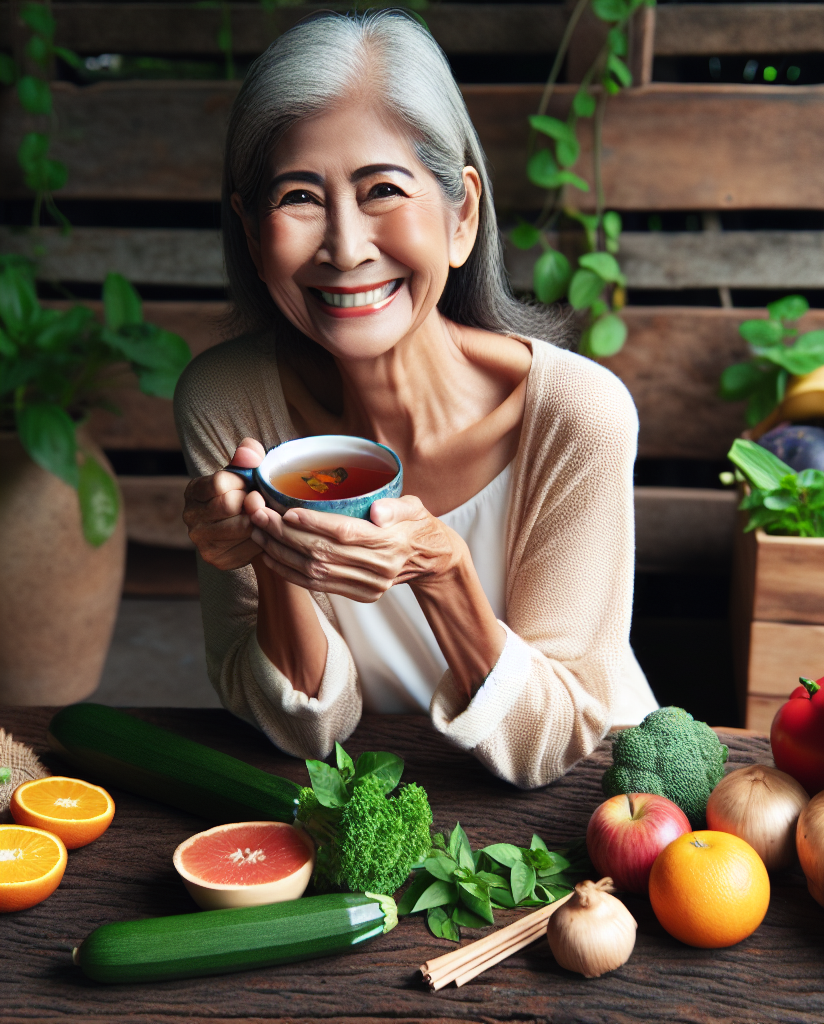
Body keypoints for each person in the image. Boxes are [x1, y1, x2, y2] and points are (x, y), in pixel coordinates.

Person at [175, 10, 658, 789]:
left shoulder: (576, 415)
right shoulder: (227, 402)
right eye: (299, 196)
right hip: (376, 793)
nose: (345, 245)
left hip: (594, 802)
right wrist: (268, 546)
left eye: (382, 190)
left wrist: (439, 568)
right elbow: (305, 729)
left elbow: (555, 738)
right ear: (251, 231)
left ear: (461, 214)